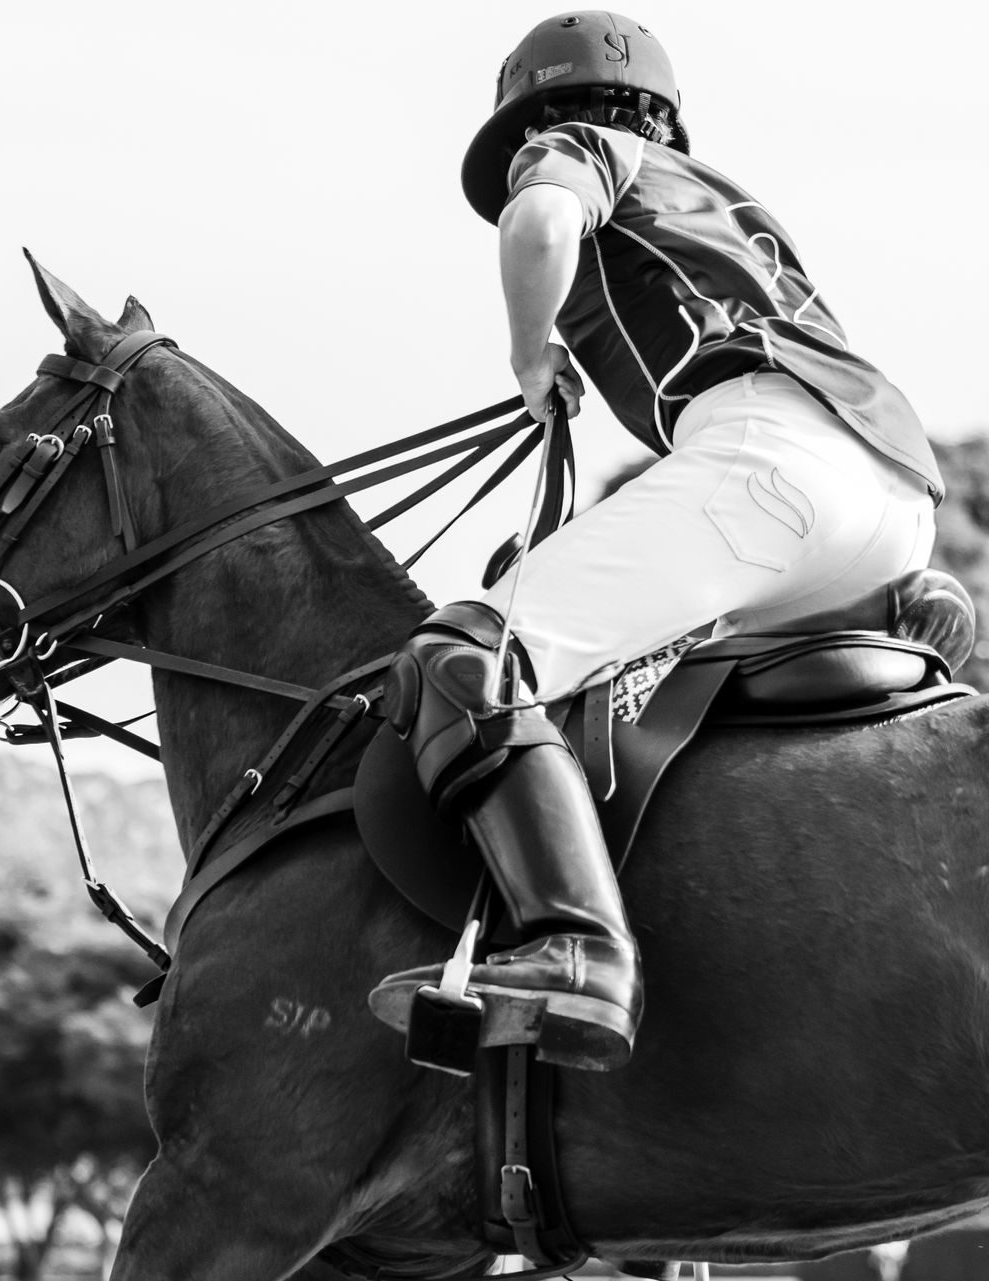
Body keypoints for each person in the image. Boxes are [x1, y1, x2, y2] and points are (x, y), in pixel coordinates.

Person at [367, 11, 944, 1072]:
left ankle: (577, 951)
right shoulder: (723, 203)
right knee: (626, 678)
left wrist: (530, 352)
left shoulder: (576, 147)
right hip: (896, 504)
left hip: (769, 464)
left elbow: (538, 227)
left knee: (469, 655)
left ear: (541, 115)